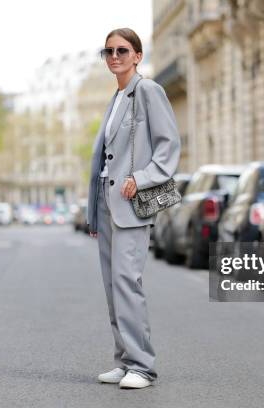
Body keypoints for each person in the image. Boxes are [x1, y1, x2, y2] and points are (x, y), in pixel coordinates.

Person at [86, 27, 181, 389]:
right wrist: (93, 211)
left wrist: (142, 178)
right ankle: (124, 360)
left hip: (130, 203)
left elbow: (168, 145)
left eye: (122, 50)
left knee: (128, 282)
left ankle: (142, 366)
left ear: (137, 56)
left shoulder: (148, 90)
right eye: (108, 51)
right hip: (107, 204)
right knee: (113, 287)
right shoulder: (118, 96)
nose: (114, 56)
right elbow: (103, 159)